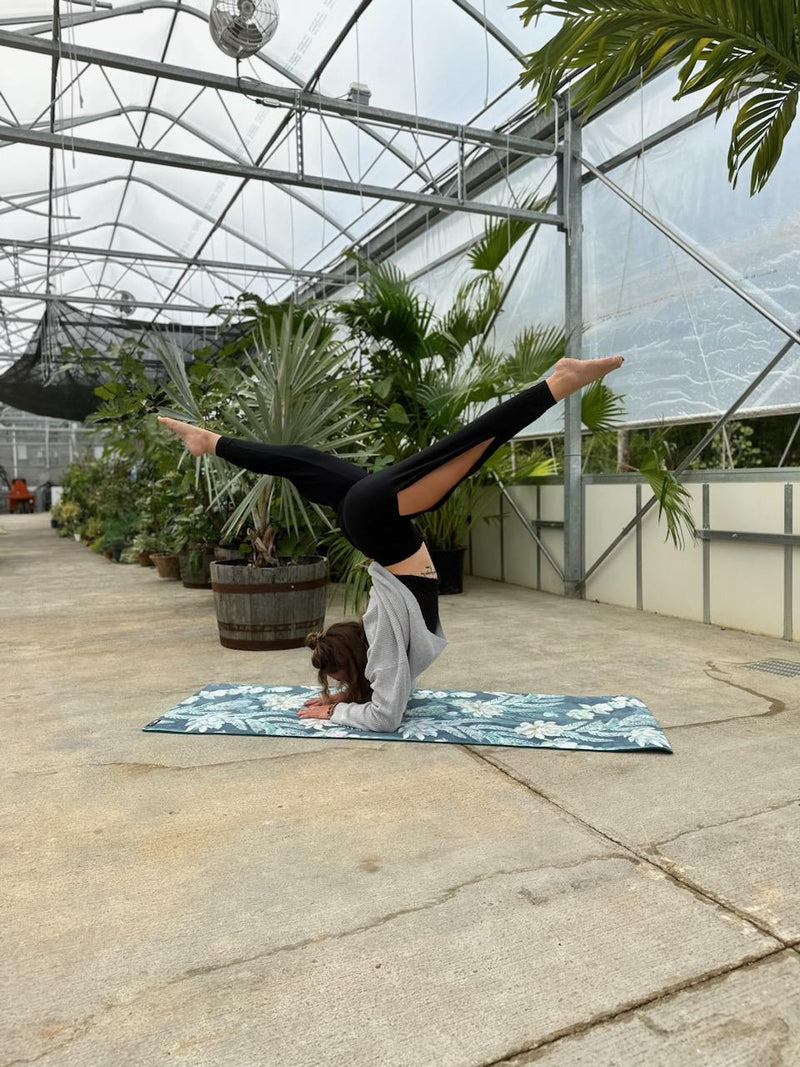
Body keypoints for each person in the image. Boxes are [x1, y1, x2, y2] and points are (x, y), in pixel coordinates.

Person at [159, 354, 623, 732]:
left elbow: (381, 700)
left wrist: (341, 701)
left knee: (456, 450)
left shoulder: (381, 648)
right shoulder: (383, 649)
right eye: (335, 678)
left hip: (380, 529)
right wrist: (343, 704)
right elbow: (385, 709)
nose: (332, 684)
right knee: (455, 448)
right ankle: (559, 383)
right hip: (376, 526)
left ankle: (210, 441)